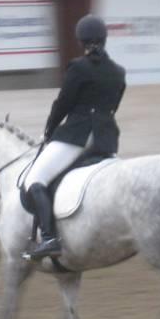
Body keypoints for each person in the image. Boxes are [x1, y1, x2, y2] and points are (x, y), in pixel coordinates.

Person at [23, 14, 126, 259]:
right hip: (105, 140)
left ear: (81, 40)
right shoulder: (119, 72)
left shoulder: (78, 67)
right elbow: (114, 105)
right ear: (104, 38)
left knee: (34, 180)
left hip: (78, 136)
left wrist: (49, 130)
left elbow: (63, 104)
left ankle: (49, 238)